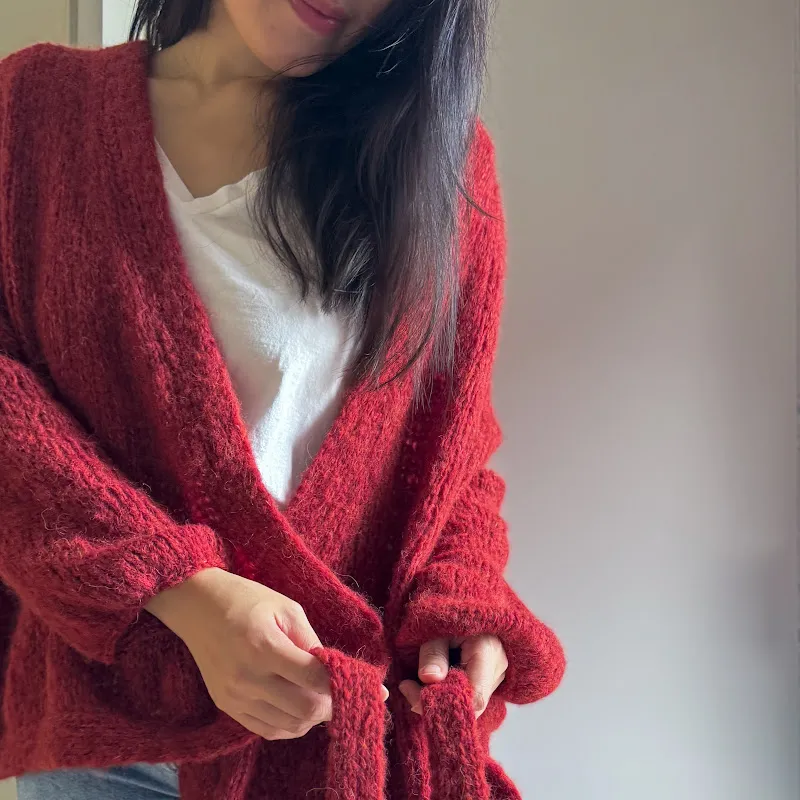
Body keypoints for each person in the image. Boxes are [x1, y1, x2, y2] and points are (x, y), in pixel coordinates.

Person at [0, 0, 565, 798]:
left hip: (332, 745)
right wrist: (181, 592)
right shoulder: (35, 113)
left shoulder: (442, 165)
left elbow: (454, 459)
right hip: (112, 741)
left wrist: (464, 600)